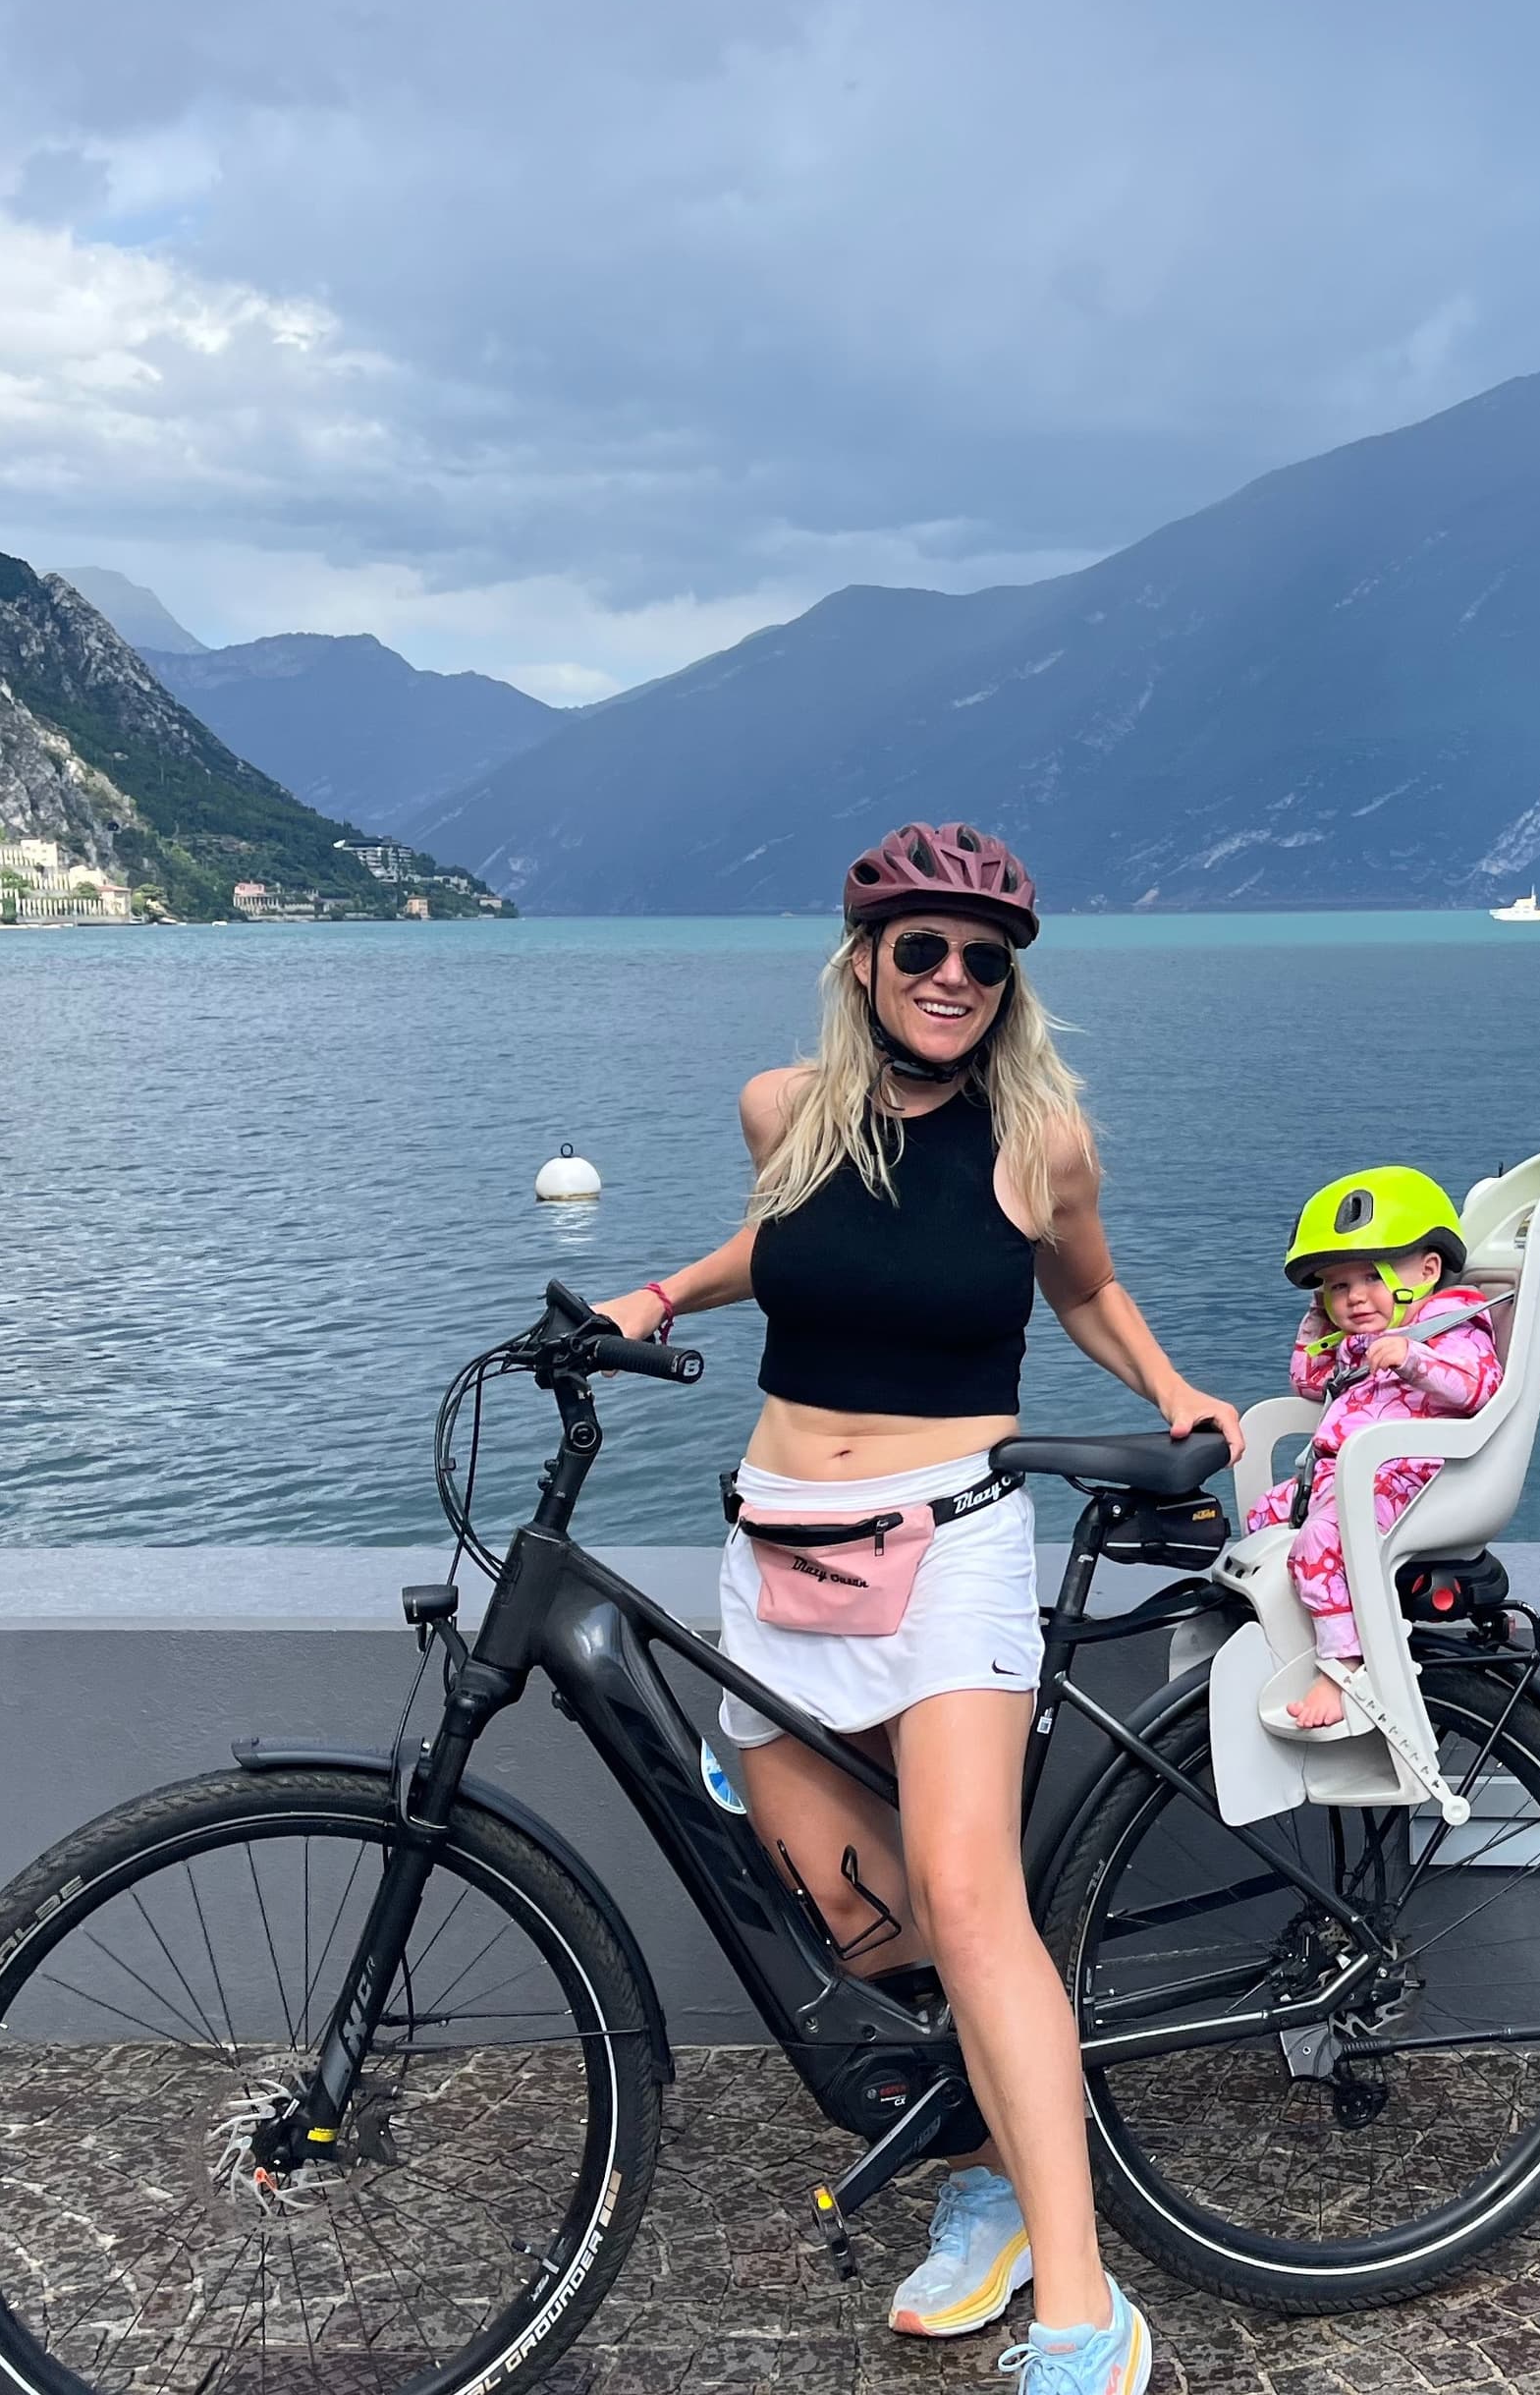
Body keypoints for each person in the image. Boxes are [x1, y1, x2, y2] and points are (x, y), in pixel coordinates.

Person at [596, 819, 1234, 2395]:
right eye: (923, 950)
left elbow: (1080, 1284)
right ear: (865, 963)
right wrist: (664, 1293)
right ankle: (995, 2176)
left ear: (1010, 986)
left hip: (949, 1541)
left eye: (984, 960)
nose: (952, 977)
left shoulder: (1041, 1143)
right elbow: (808, 1247)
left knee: (966, 1898)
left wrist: (1171, 1387)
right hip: (776, 1544)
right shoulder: (783, 1113)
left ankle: (1085, 2318)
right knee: (852, 1914)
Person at [1244, 1168, 1504, 1730]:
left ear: (1427, 1269)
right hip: (1349, 1477)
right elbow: (1309, 1381)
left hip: (1410, 1479)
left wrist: (1413, 1361)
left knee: (1321, 1536)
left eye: (1370, 1276)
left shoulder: (1452, 1327)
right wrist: (1320, 1320)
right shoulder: (1366, 1337)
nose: (1355, 1297)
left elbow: (1478, 1386)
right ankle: (1295, 1629)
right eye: (1337, 1287)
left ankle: (1344, 1664)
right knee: (1265, 1515)